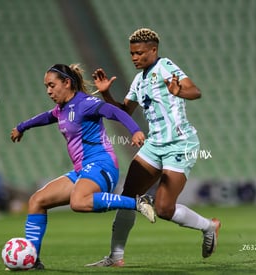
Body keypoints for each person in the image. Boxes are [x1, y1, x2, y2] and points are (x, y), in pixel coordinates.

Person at [86, 28, 221, 267]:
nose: (134, 58)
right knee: (128, 197)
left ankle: (209, 226)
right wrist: (107, 94)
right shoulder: (139, 80)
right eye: (131, 54)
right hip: (154, 145)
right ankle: (115, 257)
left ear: (154, 50)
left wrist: (180, 91)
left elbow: (195, 91)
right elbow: (124, 112)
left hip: (180, 144)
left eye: (139, 53)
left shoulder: (166, 66)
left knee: (163, 209)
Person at [10, 63, 155, 270]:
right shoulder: (61, 109)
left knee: (78, 202)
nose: (48, 91)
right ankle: (31, 260)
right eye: (46, 86)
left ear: (67, 83)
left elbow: (114, 111)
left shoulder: (85, 103)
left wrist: (135, 130)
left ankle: (139, 202)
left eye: (51, 85)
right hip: (82, 170)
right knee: (37, 201)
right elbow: (45, 117)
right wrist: (21, 127)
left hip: (102, 165)